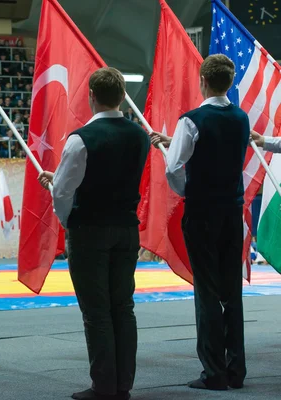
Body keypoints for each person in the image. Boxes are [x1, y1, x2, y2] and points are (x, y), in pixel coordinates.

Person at [38, 67, 149, 400]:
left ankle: (103, 385)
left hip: (90, 231)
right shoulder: (140, 135)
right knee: (123, 307)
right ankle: (123, 384)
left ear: (91, 97)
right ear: (121, 97)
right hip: (127, 229)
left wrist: (67, 217)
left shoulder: (80, 139)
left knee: (97, 310)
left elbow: (63, 193)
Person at [150, 54, 249, 391]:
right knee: (231, 290)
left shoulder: (191, 121)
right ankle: (236, 369)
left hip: (203, 211)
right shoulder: (241, 118)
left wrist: (188, 191)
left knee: (207, 291)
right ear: (230, 82)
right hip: (232, 211)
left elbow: (173, 167)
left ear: (202, 81)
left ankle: (213, 372)